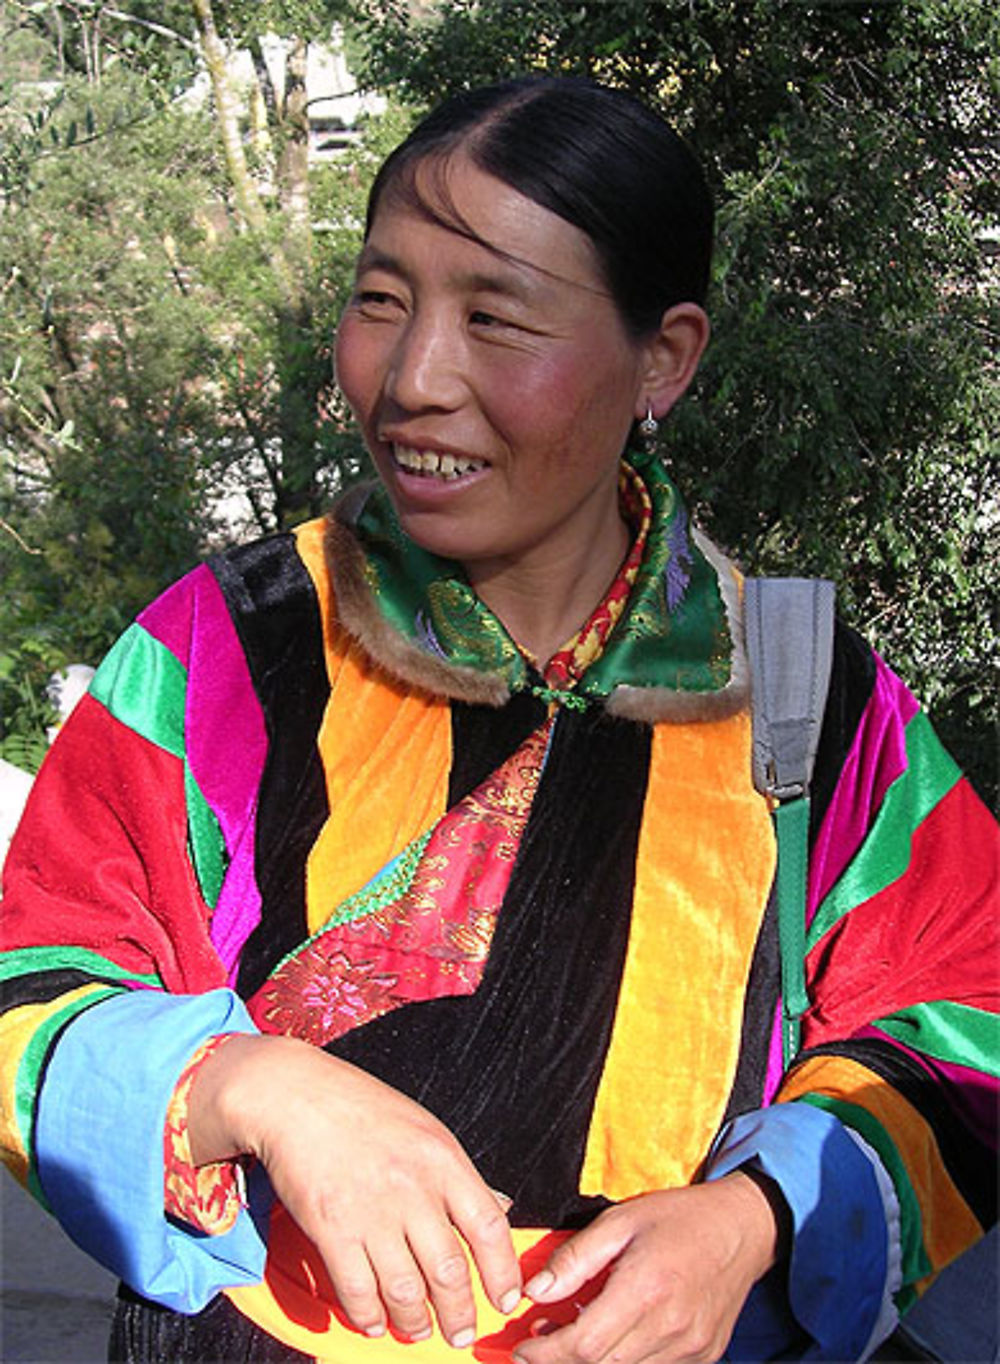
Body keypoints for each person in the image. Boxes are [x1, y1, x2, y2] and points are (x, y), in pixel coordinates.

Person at [0, 75, 996, 1364]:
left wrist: (756, 1219)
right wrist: (253, 1085)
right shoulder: (232, 647)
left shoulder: (806, 689)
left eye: (497, 316)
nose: (415, 377)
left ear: (666, 358)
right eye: (380, 301)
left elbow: (963, 1018)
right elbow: (32, 977)